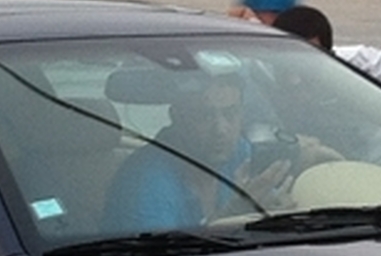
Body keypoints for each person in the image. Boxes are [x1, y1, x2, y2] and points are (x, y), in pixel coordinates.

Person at [103, 70, 298, 230]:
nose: (221, 129)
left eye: (230, 113)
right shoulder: (145, 184)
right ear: (178, 117)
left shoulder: (238, 153)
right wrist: (233, 214)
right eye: (204, 116)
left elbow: (267, 199)